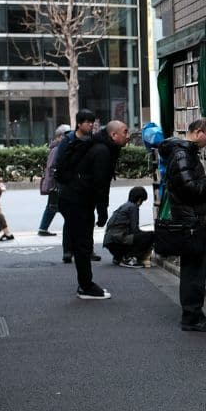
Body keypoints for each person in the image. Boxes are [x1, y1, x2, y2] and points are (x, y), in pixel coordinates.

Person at [158, 118, 206, 331]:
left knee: (193, 269)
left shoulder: (182, 153)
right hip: (192, 222)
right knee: (193, 271)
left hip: (192, 220)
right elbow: (190, 188)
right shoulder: (182, 154)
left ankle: (194, 313)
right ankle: (192, 316)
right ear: (198, 132)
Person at [56, 116, 128, 299]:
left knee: (83, 243)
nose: (128, 136)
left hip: (74, 198)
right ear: (113, 135)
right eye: (125, 132)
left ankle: (86, 284)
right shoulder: (102, 151)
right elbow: (100, 185)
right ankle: (86, 287)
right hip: (76, 200)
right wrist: (102, 212)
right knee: (83, 244)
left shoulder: (101, 146)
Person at [55, 112, 102, 265]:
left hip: (87, 187)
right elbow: (60, 163)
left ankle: (88, 249)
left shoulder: (93, 141)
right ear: (79, 124)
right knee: (71, 219)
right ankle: (67, 251)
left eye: (92, 122)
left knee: (88, 218)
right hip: (70, 187)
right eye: (88, 122)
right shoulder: (68, 140)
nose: (91, 125)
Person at [103, 186, 154, 267]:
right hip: (118, 240)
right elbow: (135, 230)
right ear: (140, 199)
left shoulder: (125, 205)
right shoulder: (133, 207)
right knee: (151, 236)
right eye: (142, 201)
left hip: (109, 241)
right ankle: (129, 258)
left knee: (138, 237)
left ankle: (118, 257)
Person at [37, 123, 71, 244]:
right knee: (57, 206)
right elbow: (52, 167)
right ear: (60, 136)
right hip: (56, 184)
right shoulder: (57, 149)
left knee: (52, 206)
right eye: (67, 135)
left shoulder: (57, 147)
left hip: (55, 183)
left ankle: (43, 228)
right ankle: (43, 228)